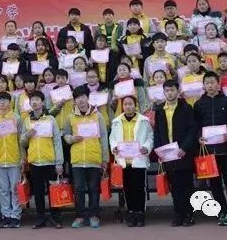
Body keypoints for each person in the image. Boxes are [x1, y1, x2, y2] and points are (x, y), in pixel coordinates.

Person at [193, 72, 227, 226]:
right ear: (204, 85)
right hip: (208, 151)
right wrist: (199, 137)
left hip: (226, 148)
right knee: (214, 183)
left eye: (213, 82)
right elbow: (196, 126)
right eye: (207, 83)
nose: (210, 85)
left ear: (219, 84)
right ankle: (222, 212)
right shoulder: (198, 104)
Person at [152, 80, 197, 227]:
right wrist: (159, 151)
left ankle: (189, 214)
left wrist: (184, 148)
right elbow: (157, 132)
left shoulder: (186, 107)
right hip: (168, 154)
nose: (169, 93)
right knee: (175, 187)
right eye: (167, 90)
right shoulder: (159, 110)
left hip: (184, 153)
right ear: (164, 92)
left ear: (177, 91)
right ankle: (179, 214)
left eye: (172, 90)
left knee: (187, 186)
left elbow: (192, 130)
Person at [63, 86, 108, 229]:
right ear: (74, 101)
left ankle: (94, 215)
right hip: (77, 160)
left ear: (88, 97)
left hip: (94, 158)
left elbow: (104, 137)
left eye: (83, 96)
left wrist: (105, 158)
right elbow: (65, 135)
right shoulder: (70, 117)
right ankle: (80, 216)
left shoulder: (97, 115)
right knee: (78, 189)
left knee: (94, 188)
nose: (81, 100)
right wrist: (71, 139)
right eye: (77, 98)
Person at [20, 91, 63, 229]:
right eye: (32, 100)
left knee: (53, 191)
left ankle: (55, 217)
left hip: (50, 161)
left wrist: (59, 163)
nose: (34, 102)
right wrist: (27, 135)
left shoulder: (50, 119)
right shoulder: (27, 120)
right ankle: (40, 218)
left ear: (42, 102)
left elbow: (57, 141)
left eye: (37, 99)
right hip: (35, 162)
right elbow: (22, 143)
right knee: (38, 192)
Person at [109, 95, 153, 227]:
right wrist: (114, 147)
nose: (128, 106)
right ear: (122, 106)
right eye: (126, 104)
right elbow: (112, 138)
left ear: (136, 105)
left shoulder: (144, 120)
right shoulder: (116, 121)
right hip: (124, 161)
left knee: (139, 188)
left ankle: (140, 213)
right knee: (127, 189)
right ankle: (131, 212)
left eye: (131, 104)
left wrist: (146, 147)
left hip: (138, 160)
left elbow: (150, 136)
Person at [0, 92, 23, 228]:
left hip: (14, 158)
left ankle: (16, 215)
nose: (2, 103)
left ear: (10, 102)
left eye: (5, 100)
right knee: (3, 189)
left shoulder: (16, 118)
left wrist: (22, 157)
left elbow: (21, 139)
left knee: (15, 189)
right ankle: (6, 215)